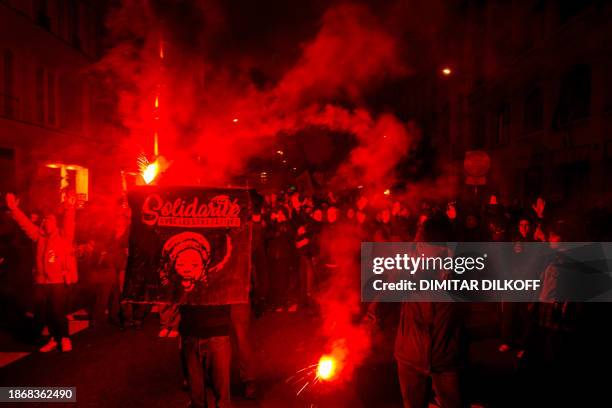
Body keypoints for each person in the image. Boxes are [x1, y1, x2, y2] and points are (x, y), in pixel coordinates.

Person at [394, 215, 467, 408]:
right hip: (409, 356)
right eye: (418, 243)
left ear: (443, 248)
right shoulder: (408, 269)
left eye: (424, 244)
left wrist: (448, 271)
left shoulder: (461, 274)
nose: (418, 248)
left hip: (445, 359)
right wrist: (372, 316)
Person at [5, 192, 77, 352]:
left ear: (55, 224)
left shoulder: (64, 237)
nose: (47, 224)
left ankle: (65, 338)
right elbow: (25, 224)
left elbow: (69, 222)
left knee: (58, 311)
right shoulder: (39, 237)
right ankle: (53, 338)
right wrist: (14, 209)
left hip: (58, 281)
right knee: (45, 313)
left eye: (50, 221)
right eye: (45, 222)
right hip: (41, 282)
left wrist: (70, 207)